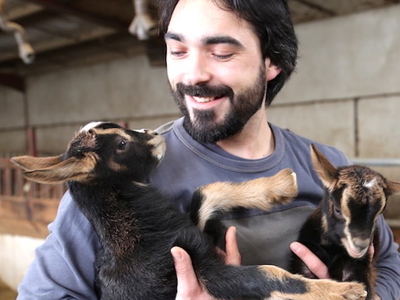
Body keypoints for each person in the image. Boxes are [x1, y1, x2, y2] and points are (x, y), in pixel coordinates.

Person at [17, 0, 400, 299]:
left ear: (273, 62)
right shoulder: (117, 180)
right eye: (178, 50)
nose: (193, 74)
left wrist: (370, 295)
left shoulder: (329, 168)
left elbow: (387, 264)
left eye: (221, 53)